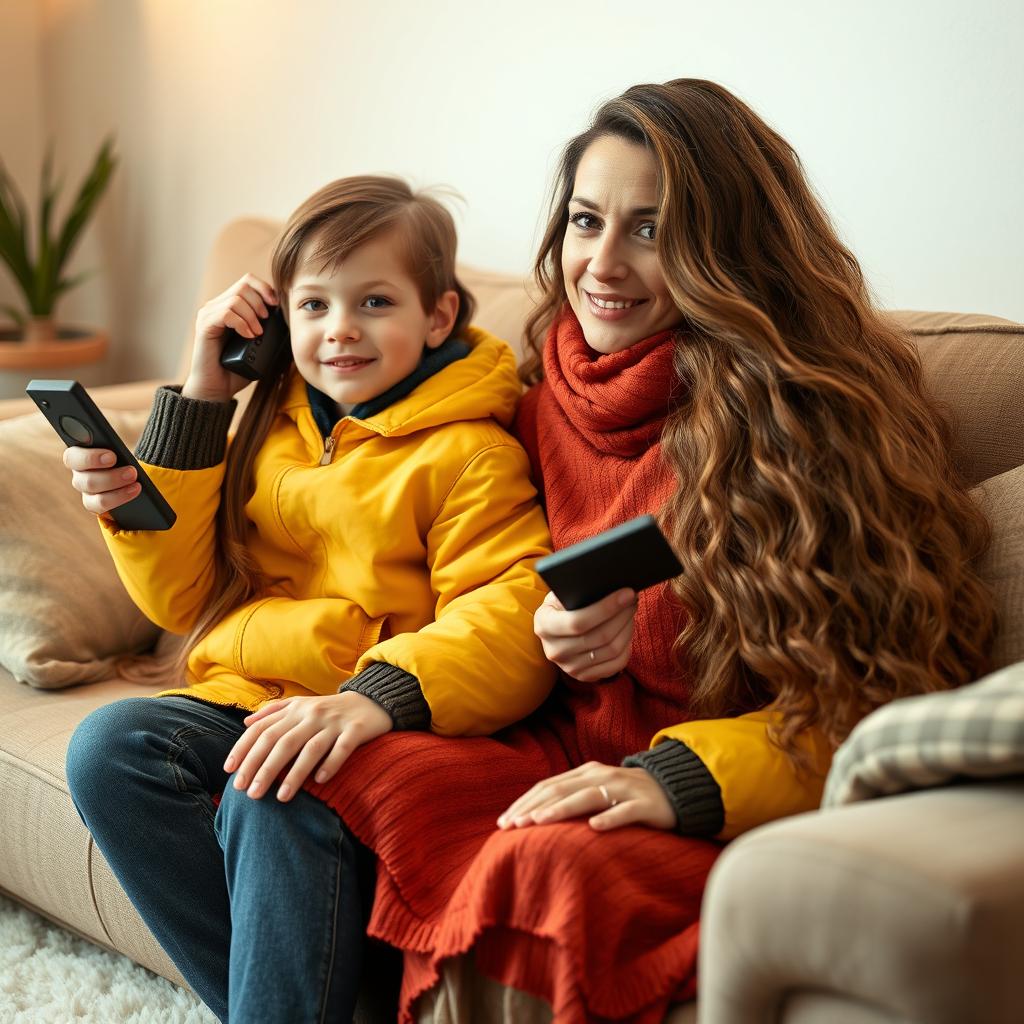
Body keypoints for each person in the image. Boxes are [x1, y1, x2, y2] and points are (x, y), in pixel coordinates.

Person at [299, 81, 997, 1023]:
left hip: (702, 788)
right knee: (320, 772)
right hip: (556, 746)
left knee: (542, 865)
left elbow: (876, 702)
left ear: (726, 252)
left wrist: (676, 781)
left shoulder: (807, 426)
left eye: (651, 230)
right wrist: (549, 639)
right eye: (588, 220)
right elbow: (454, 553)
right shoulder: (543, 398)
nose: (603, 262)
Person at [62, 175, 557, 1024]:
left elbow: (508, 614)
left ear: (438, 318)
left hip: (380, 719)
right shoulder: (269, 419)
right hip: (255, 699)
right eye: (314, 305)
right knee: (109, 745)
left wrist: (375, 698)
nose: (340, 331)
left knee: (277, 788)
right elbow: (179, 599)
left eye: (374, 301)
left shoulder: (471, 450)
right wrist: (203, 393)